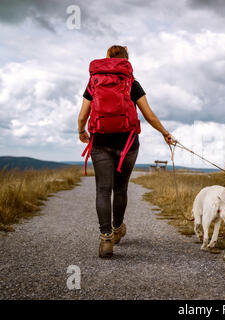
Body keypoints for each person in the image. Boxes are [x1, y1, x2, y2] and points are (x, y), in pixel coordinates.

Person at [77, 45, 174, 258]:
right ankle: (118, 228)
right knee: (120, 188)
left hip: (100, 142)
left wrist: (81, 130)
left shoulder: (94, 81)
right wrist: (165, 133)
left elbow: (83, 114)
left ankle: (105, 239)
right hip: (128, 143)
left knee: (103, 189)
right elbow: (148, 115)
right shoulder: (131, 82)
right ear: (126, 60)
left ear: (107, 58)